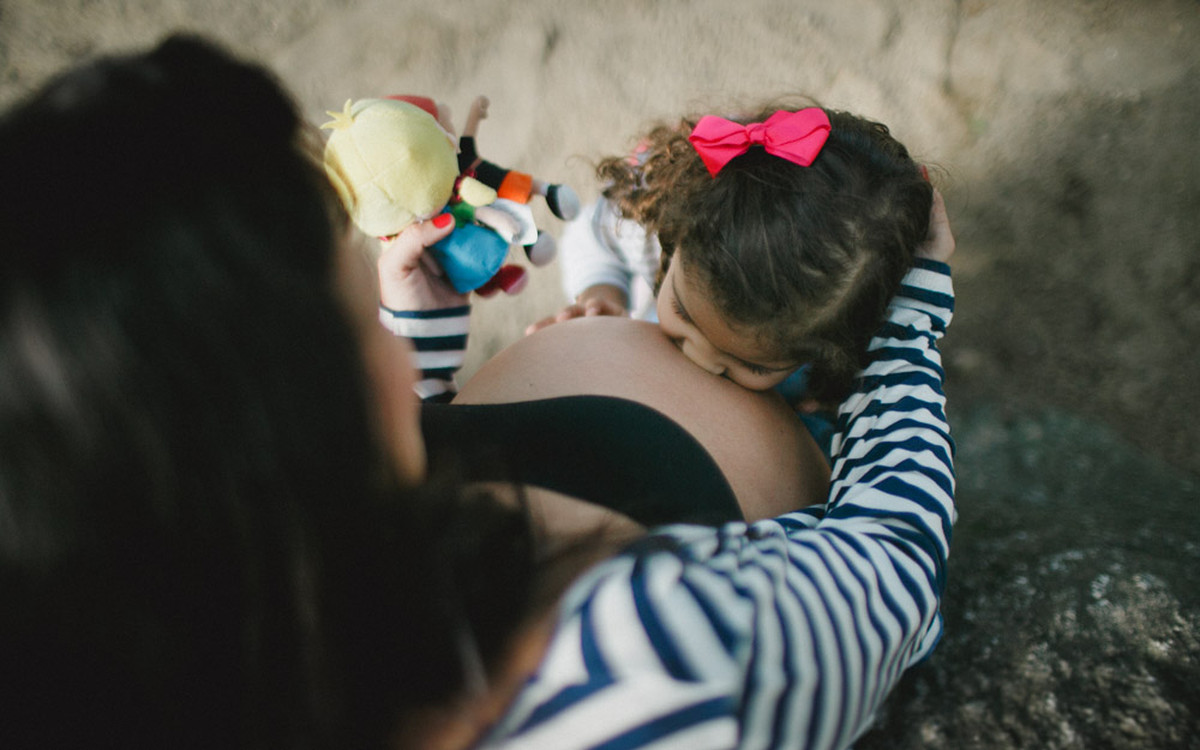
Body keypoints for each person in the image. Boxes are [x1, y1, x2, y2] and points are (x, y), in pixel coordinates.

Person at [2, 34, 957, 750]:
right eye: (356, 316)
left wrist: (418, 344)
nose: (385, 334)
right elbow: (896, 558)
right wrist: (908, 335)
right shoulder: (657, 670)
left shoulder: (179, 631)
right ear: (302, 411)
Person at [529, 100, 933, 417]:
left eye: (747, 364)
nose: (698, 361)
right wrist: (603, 294)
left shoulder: (843, 311)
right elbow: (593, 236)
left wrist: (827, 395)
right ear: (677, 232)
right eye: (684, 315)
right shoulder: (661, 209)